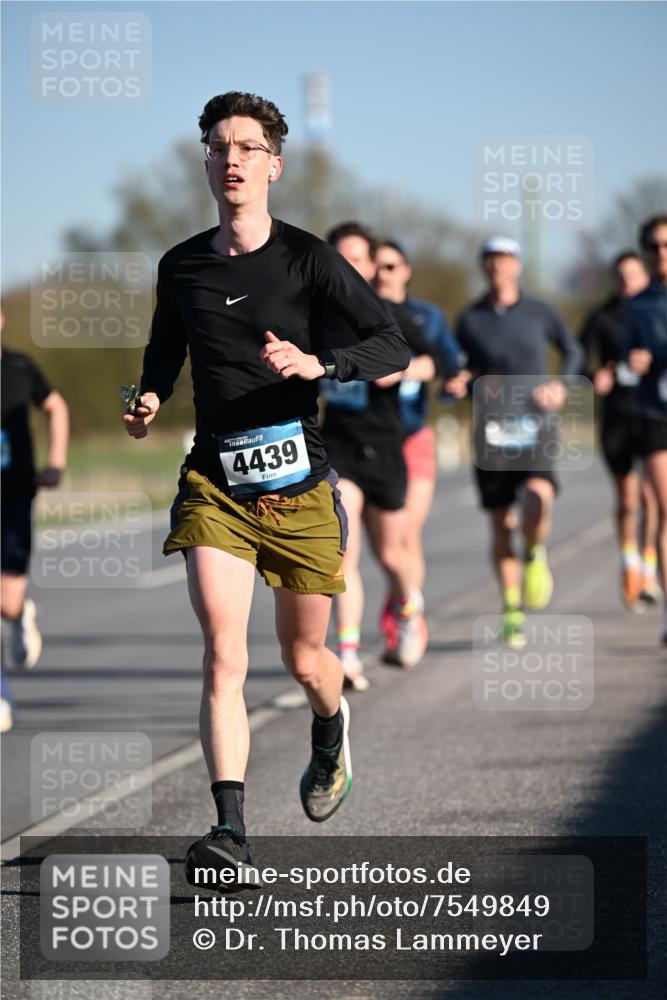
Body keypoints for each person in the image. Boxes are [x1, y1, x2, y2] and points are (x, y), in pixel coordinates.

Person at [122, 92, 411, 885]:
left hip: (299, 484)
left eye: (247, 147)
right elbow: (163, 350)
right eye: (218, 146)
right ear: (206, 162)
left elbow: (394, 345)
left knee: (304, 657)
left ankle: (328, 726)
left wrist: (322, 365)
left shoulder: (309, 258)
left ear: (273, 165)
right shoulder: (180, 263)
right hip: (214, 480)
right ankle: (229, 831)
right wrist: (147, 395)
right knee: (223, 654)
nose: (231, 159)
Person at [320, 223, 447, 684]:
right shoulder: (315, 313)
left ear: (373, 264)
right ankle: (348, 655)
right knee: (343, 552)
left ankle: (409, 607)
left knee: (392, 554)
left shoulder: (389, 313)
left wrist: (403, 370)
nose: (348, 267)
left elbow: (438, 361)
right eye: (339, 257)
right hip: (339, 446)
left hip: (386, 445)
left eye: (357, 258)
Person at [446, 236, 583, 648]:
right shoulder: (470, 319)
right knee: (501, 523)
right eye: (489, 260)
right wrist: (460, 383)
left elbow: (573, 351)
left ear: (517, 266)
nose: (497, 267)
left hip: (536, 424)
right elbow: (460, 368)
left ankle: (536, 552)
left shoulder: (541, 311)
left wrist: (561, 385)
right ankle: (510, 609)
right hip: (492, 431)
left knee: (539, 497)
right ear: (483, 267)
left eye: (504, 260)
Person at [373, 240, 465, 651]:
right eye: (376, 267)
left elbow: (450, 361)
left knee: (407, 532)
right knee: (384, 545)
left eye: (391, 266)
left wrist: (445, 380)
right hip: (372, 439)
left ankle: (408, 612)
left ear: (406, 270)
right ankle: (402, 596)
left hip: (413, 434)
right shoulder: (356, 314)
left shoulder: (426, 316)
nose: (382, 275)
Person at [1, 319, 69, 731]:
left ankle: (20, 613)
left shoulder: (21, 368)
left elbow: (56, 406)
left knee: (6, 602)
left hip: (13, 494)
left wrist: (55, 463)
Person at [579, 251, 655, 610]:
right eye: (622, 276)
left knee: (653, 497)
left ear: (645, 276)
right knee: (627, 497)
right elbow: (577, 357)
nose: (629, 282)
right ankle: (629, 562)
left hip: (653, 413)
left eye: (635, 275)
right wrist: (596, 377)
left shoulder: (656, 309)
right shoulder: (601, 317)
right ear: (614, 280)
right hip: (617, 416)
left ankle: (650, 566)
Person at [623, 214, 667, 645]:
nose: (661, 253)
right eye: (654, 246)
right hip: (657, 415)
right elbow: (628, 358)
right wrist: (635, 362)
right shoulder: (638, 306)